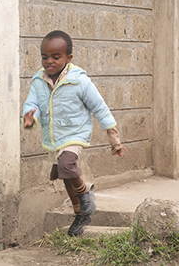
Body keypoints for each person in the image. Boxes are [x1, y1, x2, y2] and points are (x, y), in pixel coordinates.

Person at [22, 30, 125, 236]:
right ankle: (81, 215)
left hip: (76, 134)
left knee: (66, 165)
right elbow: (33, 104)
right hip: (55, 139)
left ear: (68, 58)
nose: (49, 61)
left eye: (56, 57)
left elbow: (100, 108)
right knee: (66, 176)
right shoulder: (38, 81)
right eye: (44, 57)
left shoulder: (79, 81)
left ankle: (86, 195)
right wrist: (30, 116)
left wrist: (115, 140)